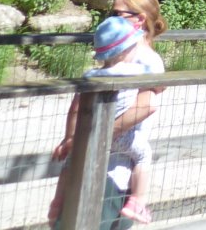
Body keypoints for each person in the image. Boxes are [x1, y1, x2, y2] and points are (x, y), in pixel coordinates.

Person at [48, 17, 155, 225]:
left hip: (88, 133)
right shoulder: (136, 71)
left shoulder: (91, 75)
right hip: (122, 136)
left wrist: (70, 138)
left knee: (70, 161)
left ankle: (58, 202)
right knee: (143, 155)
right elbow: (154, 88)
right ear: (125, 51)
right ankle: (137, 201)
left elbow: (75, 108)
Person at [110, 0, 168, 222]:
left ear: (139, 19)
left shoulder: (148, 59)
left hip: (120, 153)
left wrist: (104, 133)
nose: (111, 20)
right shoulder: (121, 54)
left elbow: (147, 103)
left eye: (117, 14)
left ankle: (137, 200)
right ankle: (138, 201)